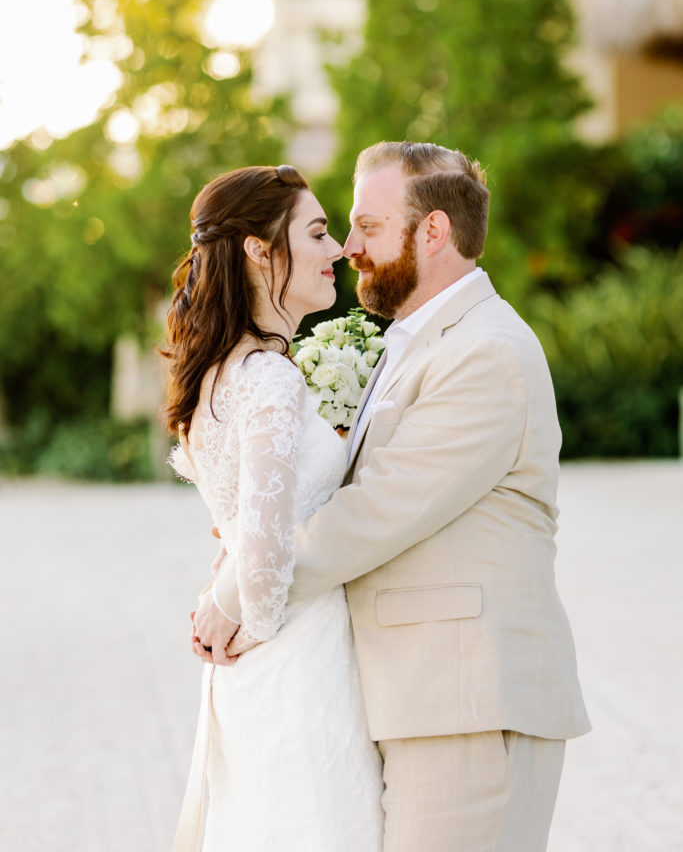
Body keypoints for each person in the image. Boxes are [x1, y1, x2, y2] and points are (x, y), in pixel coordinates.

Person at [200, 142, 591, 852]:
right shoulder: (413, 343)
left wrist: (237, 592)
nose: (350, 248)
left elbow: (376, 511)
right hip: (413, 700)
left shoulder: (485, 352)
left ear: (433, 231)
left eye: (367, 227)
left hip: (466, 703)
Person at [163, 164, 384, 852]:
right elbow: (261, 557)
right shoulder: (269, 378)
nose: (338, 249)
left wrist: (226, 601)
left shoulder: (218, 373)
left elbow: (240, 526)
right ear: (259, 250)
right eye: (316, 232)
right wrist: (247, 613)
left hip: (250, 675)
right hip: (302, 664)